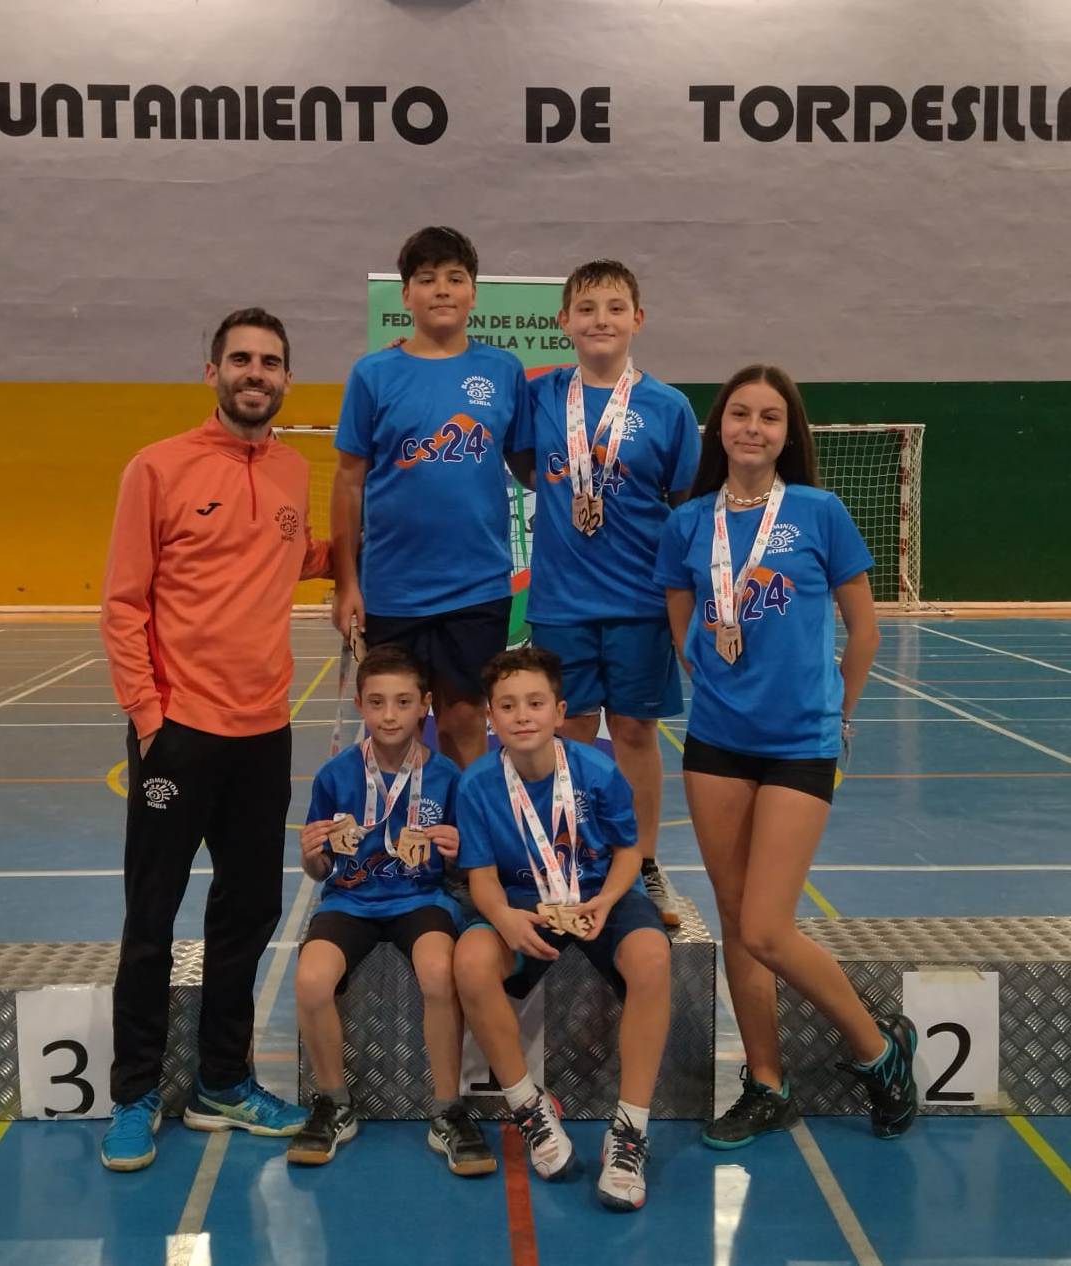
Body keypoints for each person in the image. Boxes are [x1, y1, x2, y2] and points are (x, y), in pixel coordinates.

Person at [652, 364, 917, 1147]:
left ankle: (877, 1049)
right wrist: (698, 653)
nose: (753, 429)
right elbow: (679, 610)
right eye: (740, 414)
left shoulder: (819, 512)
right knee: (736, 920)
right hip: (716, 747)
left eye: (770, 417)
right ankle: (767, 1082)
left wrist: (839, 713)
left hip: (801, 744)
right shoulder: (689, 522)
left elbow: (864, 630)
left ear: (787, 433)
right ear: (719, 428)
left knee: (768, 926)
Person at [97, 307, 329, 1172]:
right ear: (212, 372)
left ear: (284, 380)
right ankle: (133, 1094)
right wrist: (150, 718)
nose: (254, 373)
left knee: (247, 913)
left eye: (270, 361)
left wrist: (364, 553)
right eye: (240, 359)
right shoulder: (157, 468)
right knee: (151, 918)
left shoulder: (296, 469)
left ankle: (223, 1083)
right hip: (180, 733)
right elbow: (123, 603)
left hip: (264, 732)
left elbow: (290, 553)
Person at [452, 647, 672, 1212]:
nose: (521, 715)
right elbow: (480, 880)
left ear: (559, 710)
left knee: (651, 957)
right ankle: (529, 1107)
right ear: (490, 717)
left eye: (534, 703)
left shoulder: (598, 770)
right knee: (472, 962)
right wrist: (502, 918)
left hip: (598, 894)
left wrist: (605, 900)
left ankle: (629, 1133)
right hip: (524, 902)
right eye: (507, 705)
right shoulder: (477, 785)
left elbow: (628, 852)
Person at [518, 259, 700, 927]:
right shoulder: (541, 396)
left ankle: (644, 864)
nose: (601, 319)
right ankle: (565, 859)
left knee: (632, 732)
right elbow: (524, 465)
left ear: (637, 319)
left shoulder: (668, 407)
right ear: (563, 320)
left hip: (640, 603)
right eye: (587, 307)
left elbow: (685, 510)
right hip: (562, 602)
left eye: (615, 307)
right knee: (563, 731)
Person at [329, 226, 534, 768]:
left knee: (465, 719)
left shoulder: (502, 371)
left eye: (455, 278)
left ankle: (467, 850)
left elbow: (534, 468)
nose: (441, 289)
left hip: (477, 587)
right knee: (397, 729)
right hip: (393, 590)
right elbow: (348, 481)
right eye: (426, 279)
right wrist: (346, 582)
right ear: (405, 295)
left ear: (473, 293)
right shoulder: (374, 375)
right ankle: (407, 847)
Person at [288, 645, 495, 1175]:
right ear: (360, 704)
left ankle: (447, 1108)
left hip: (421, 899)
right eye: (377, 702)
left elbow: (463, 871)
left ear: (424, 705)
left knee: (437, 972)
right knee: (311, 980)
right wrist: (312, 855)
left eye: (403, 702)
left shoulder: (448, 776)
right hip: (350, 901)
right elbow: (319, 871)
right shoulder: (335, 775)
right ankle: (333, 1102)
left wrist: (456, 849)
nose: (389, 715)